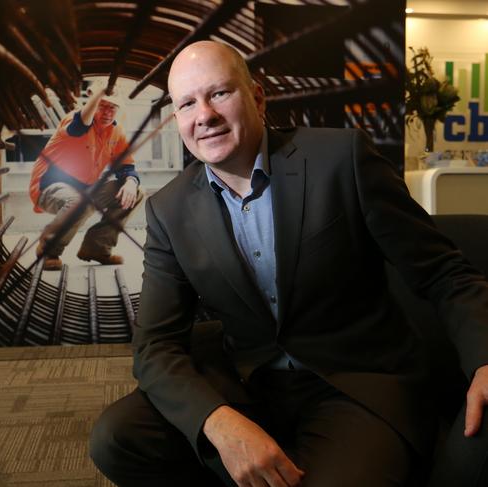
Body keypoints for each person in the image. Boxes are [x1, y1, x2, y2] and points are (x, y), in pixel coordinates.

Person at [89, 41, 488, 486]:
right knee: (116, 437)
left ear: (257, 97)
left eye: (219, 93)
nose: (204, 115)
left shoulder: (341, 160)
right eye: (187, 103)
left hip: (354, 385)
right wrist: (218, 421)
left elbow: (445, 272)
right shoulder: (170, 209)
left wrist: (486, 360)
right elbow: (154, 346)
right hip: (249, 384)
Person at [29, 85, 143, 271]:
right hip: (49, 187)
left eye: (112, 107)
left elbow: (126, 166)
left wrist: (131, 182)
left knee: (136, 192)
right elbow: (79, 126)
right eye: (102, 106)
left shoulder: (116, 132)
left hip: (85, 190)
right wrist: (99, 93)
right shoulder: (75, 121)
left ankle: (96, 248)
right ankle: (49, 250)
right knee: (77, 200)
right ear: (93, 104)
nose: (107, 112)